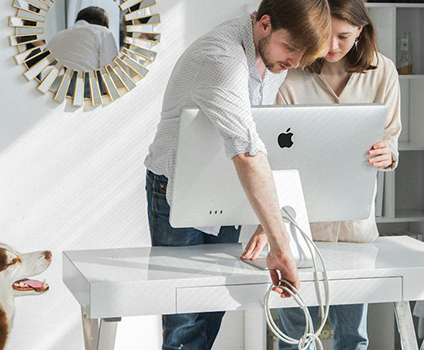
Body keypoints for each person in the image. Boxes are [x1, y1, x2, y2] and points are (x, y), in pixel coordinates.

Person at [143, 0, 330, 348]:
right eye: (290, 48)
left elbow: (266, 139)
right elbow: (246, 151)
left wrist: (268, 218)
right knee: (184, 316)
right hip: (176, 185)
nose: (293, 63)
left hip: (227, 188)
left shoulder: (275, 61)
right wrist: (280, 245)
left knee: (214, 307)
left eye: (301, 57)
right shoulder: (221, 58)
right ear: (264, 24)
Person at [240, 0, 402, 348]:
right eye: (324, 36)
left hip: (356, 229)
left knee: (354, 336)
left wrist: (388, 154)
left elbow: (391, 139)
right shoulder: (290, 72)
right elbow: (271, 154)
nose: (331, 46)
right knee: (294, 333)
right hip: (299, 227)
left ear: (361, 30)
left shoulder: (383, 71)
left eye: (343, 36)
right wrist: (268, 226)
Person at [46, 6, 117, 98]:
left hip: (53, 88)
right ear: (104, 23)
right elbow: (110, 68)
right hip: (84, 86)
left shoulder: (59, 35)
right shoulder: (103, 32)